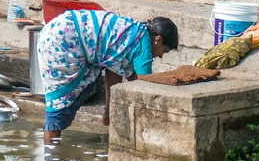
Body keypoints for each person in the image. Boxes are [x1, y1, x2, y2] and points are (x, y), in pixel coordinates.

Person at [37, 11, 177, 144]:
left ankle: (52, 150)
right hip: (64, 41)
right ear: (158, 40)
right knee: (60, 101)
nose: (160, 56)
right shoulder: (144, 46)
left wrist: (108, 111)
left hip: (56, 30)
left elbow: (113, 74)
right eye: (164, 51)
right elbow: (144, 88)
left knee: (62, 100)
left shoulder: (132, 34)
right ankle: (51, 157)